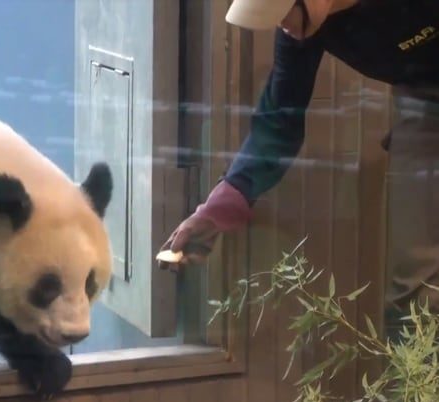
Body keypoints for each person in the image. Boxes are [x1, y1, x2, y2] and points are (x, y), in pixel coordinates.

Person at [159, 0, 439, 333]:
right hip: (425, 97)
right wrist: (217, 209)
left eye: (283, 13)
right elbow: (280, 121)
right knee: (415, 294)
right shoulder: (302, 31)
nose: (281, 25)